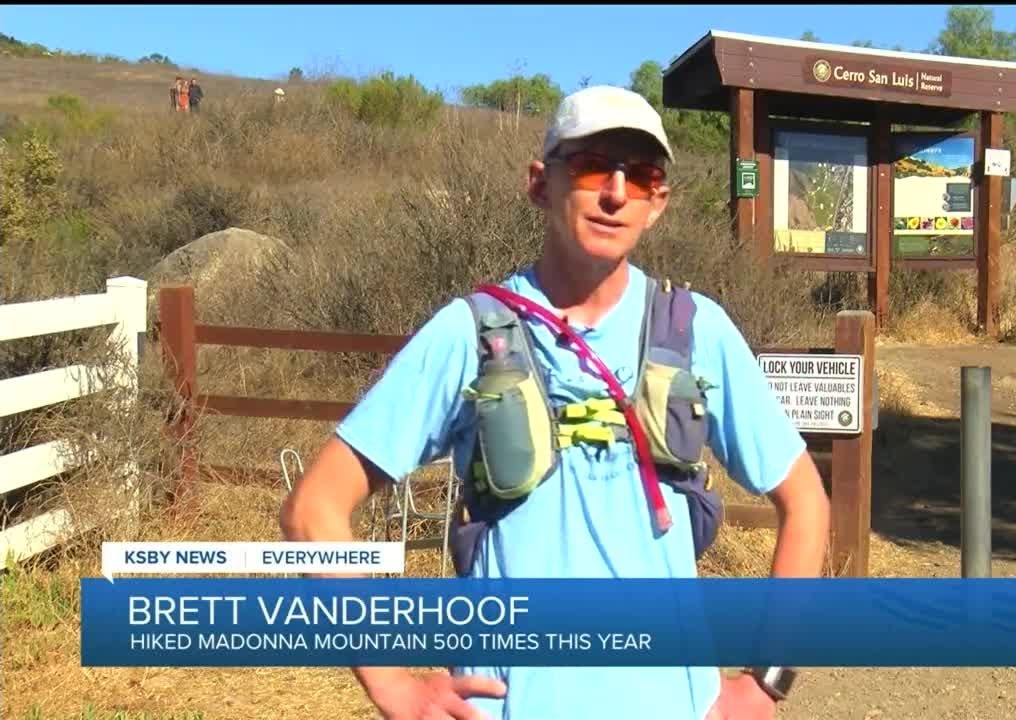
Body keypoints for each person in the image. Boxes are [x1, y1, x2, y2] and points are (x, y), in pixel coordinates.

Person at [279, 85, 830, 720]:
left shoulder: (695, 328)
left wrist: (765, 683)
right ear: (541, 184)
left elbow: (806, 501)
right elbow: (312, 510)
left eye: (641, 175)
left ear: (658, 203)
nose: (616, 192)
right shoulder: (470, 333)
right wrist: (395, 685)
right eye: (594, 165)